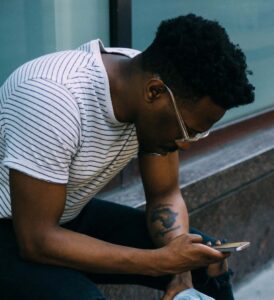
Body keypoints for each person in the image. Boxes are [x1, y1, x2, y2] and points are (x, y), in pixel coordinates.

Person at [0, 14, 254, 300]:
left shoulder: (151, 82)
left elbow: (164, 195)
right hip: (16, 228)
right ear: (154, 92)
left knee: (207, 260)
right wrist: (159, 262)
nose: (185, 145)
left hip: (65, 213)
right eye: (188, 131)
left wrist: (180, 271)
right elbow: (37, 240)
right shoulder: (52, 99)